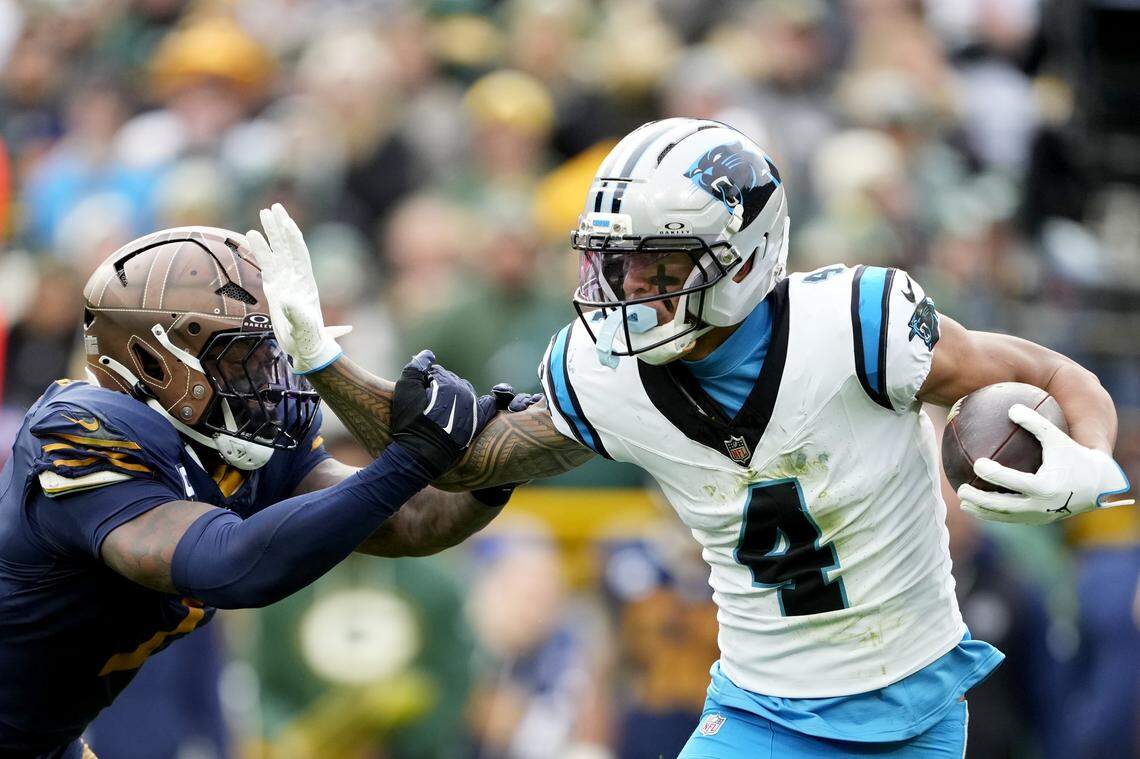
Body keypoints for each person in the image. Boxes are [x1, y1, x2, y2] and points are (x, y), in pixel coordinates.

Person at [256, 118, 1133, 758]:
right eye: (617, 259)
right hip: (759, 714)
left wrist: (1088, 458)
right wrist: (324, 358)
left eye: (659, 264)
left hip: (917, 704)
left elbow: (1063, 378)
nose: (628, 286)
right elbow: (464, 457)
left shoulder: (859, 326)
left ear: (745, 255)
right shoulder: (600, 369)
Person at [0, 225, 532, 759]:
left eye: (270, 351)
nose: (268, 374)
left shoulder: (229, 439)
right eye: (243, 356)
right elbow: (230, 565)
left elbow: (409, 518)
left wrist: (493, 466)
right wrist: (408, 458)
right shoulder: (82, 432)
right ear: (155, 361)